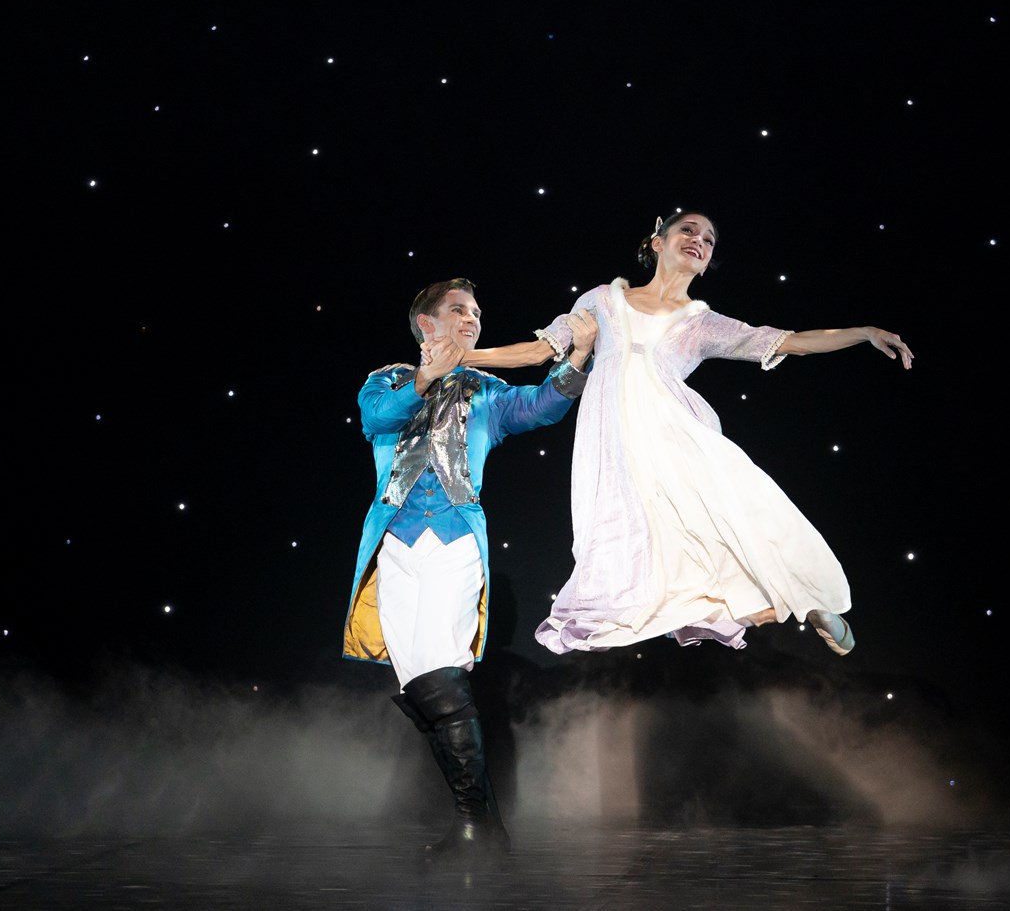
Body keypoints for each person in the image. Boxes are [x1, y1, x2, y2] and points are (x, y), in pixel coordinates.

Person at [457, 211, 913, 657]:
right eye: (688, 230)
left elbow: (788, 340)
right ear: (657, 242)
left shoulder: (703, 323)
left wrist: (864, 332)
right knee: (642, 552)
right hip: (614, 445)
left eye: (709, 239)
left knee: (732, 522)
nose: (699, 240)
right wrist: (462, 358)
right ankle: (787, 606)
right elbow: (539, 351)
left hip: (673, 436)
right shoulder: (601, 300)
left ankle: (807, 597)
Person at [341, 277, 597, 861]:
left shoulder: (485, 389)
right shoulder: (386, 381)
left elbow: (540, 405)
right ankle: (479, 825)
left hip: (455, 541)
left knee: (441, 670)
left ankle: (477, 825)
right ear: (425, 325)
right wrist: (427, 377)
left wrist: (578, 355)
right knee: (417, 685)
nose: (473, 320)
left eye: (477, 312)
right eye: (459, 310)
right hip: (394, 546)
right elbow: (379, 420)